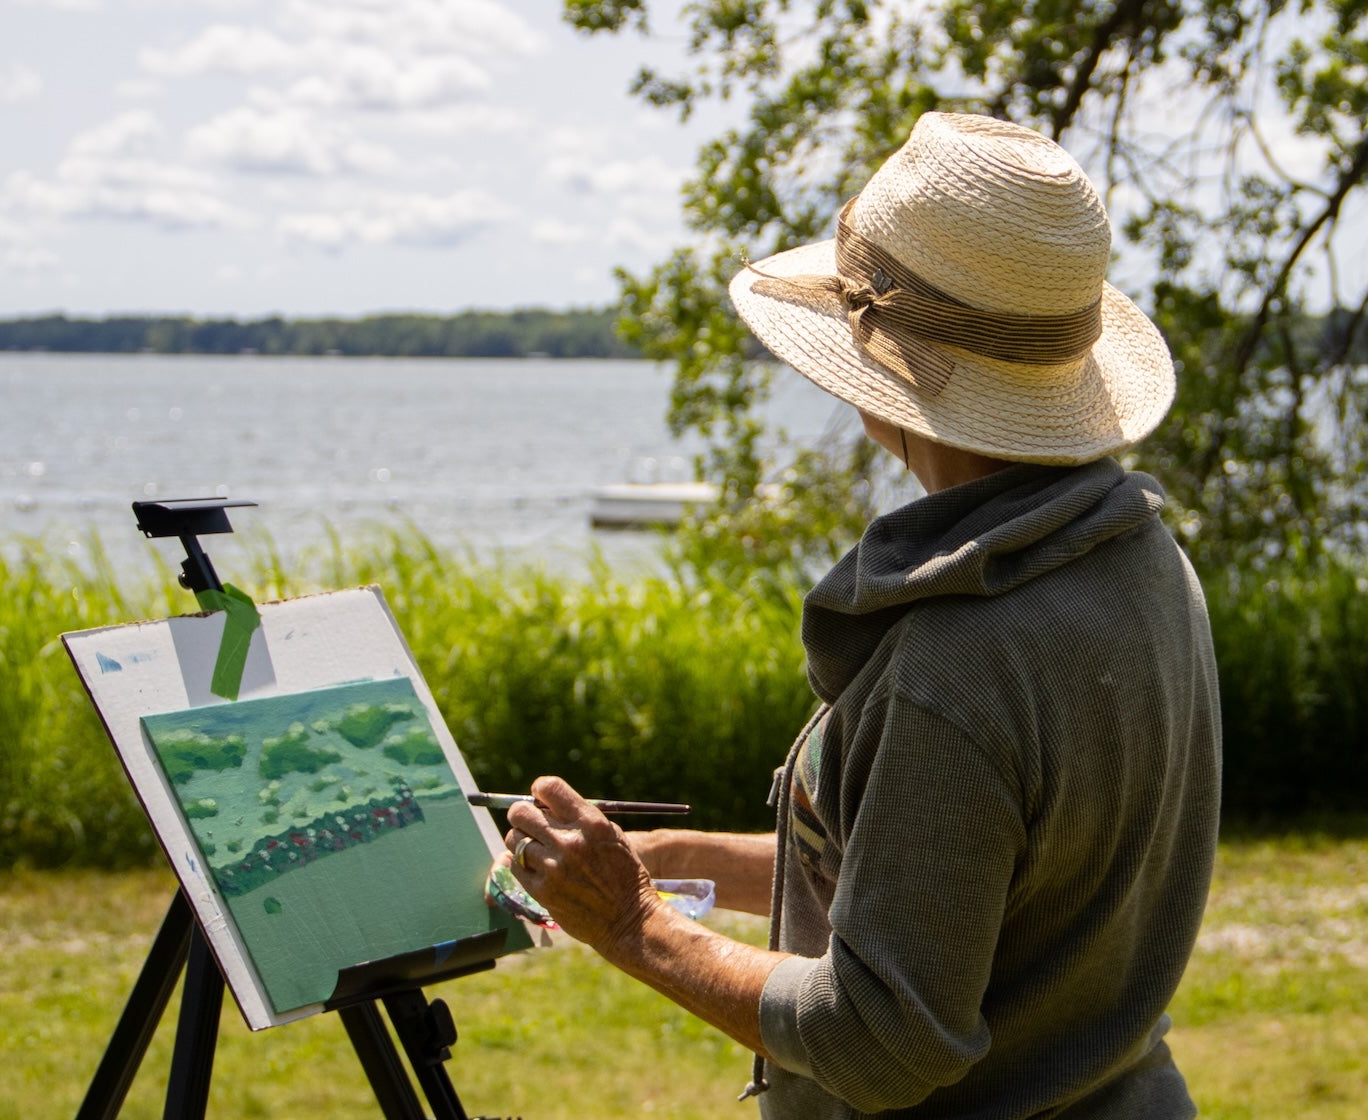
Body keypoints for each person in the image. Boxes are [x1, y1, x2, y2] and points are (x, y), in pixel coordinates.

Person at [502, 112, 1222, 1119]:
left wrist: (631, 921)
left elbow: (880, 1036)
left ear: (878, 368)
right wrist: (674, 860)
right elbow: (934, 874)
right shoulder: (1135, 558)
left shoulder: (958, 660)